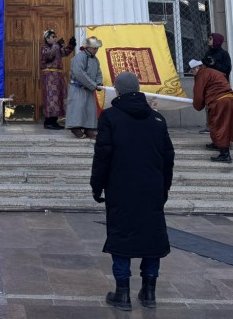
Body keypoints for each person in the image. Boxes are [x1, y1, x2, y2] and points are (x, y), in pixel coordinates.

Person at [90, 71, 175, 311]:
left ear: (117, 91)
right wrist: (164, 187)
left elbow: (103, 155)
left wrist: (97, 185)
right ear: (138, 90)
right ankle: (149, 292)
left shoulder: (110, 117)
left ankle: (123, 293)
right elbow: (168, 158)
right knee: (152, 237)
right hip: (152, 188)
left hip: (120, 187)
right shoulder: (157, 119)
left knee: (121, 236)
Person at [192, 61, 233, 163]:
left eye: (192, 71)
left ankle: (225, 155)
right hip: (229, 99)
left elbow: (198, 94)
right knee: (218, 124)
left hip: (219, 101)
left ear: (196, 68)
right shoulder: (212, 72)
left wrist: (197, 105)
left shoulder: (201, 74)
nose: (192, 74)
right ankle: (217, 144)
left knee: (219, 126)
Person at [67, 36, 104, 139]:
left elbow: (98, 73)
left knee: (90, 110)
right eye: (94, 48)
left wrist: (99, 83)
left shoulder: (95, 60)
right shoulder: (79, 57)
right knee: (77, 109)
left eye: (97, 48)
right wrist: (93, 85)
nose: (96, 50)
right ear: (88, 47)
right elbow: (79, 74)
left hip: (89, 89)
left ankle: (89, 129)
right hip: (78, 88)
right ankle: (75, 128)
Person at [40, 29, 75, 130]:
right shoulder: (44, 48)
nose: (55, 39)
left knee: (58, 98)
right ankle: (48, 122)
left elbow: (65, 52)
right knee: (51, 98)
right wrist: (57, 45)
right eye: (53, 37)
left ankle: (54, 121)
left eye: (56, 37)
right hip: (49, 76)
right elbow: (49, 55)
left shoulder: (56, 47)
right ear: (47, 39)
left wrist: (71, 45)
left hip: (58, 76)